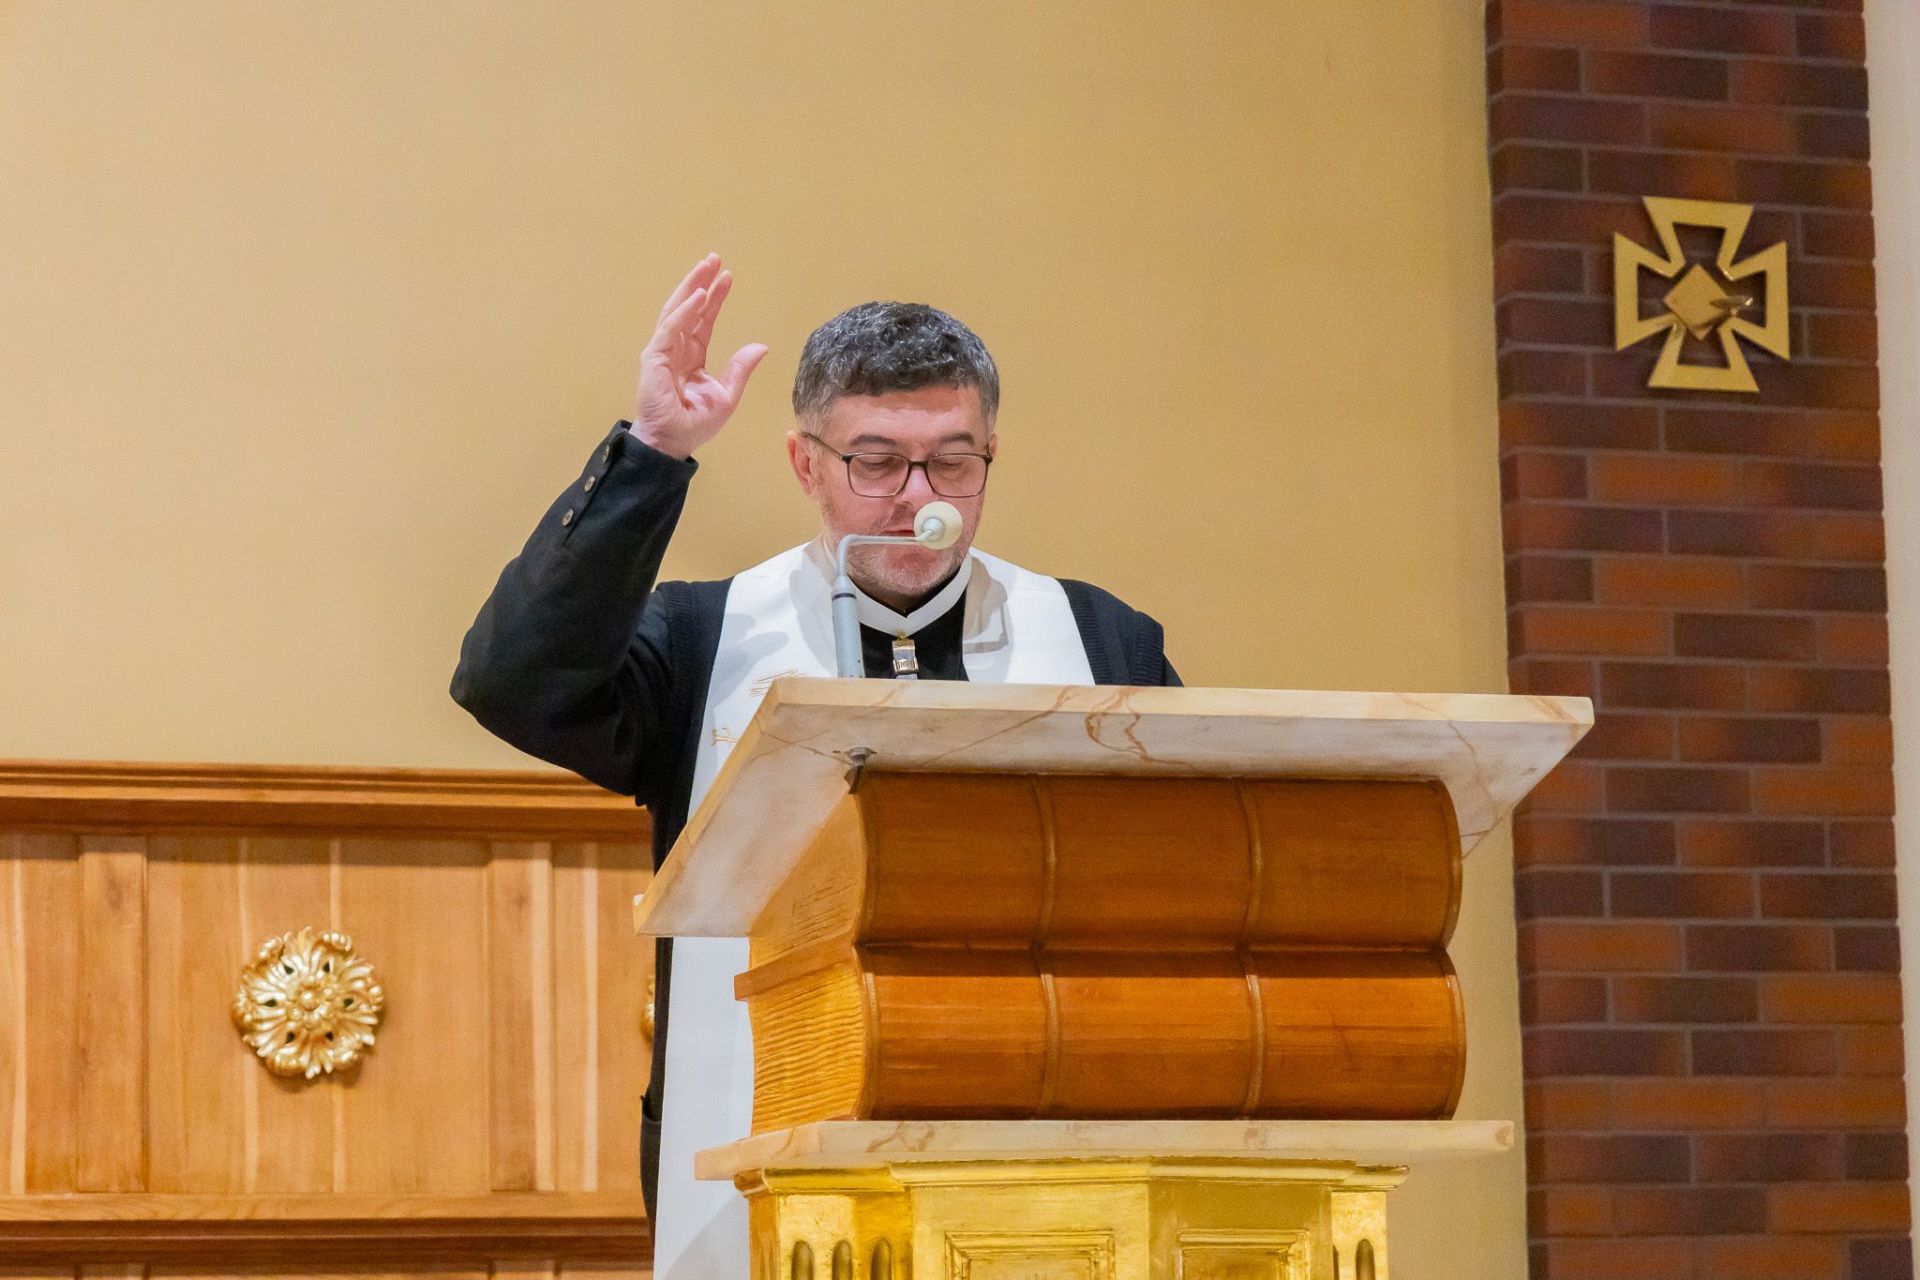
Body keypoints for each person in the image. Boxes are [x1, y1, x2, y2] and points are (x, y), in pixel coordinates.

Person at [450, 253, 1180, 1277]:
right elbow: (513, 680)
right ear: (806, 464)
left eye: (953, 462)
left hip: (1036, 1140)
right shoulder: (707, 640)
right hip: (770, 1128)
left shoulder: (1101, 642)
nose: (917, 497)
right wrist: (653, 453)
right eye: (876, 462)